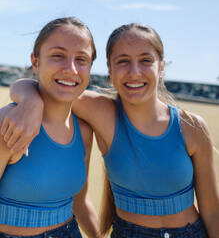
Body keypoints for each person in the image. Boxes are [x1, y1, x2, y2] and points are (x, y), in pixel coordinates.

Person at [1, 23, 219, 237]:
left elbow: (212, 213)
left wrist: (29, 99)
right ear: (109, 70)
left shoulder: (191, 126)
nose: (135, 72)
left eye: (146, 60)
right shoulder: (102, 113)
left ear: (161, 66)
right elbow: (50, 87)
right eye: (123, 61)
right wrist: (31, 102)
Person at [0, 17, 101, 238]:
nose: (71, 69)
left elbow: (80, 202)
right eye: (58, 56)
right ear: (35, 62)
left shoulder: (83, 132)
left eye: (81, 59)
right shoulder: (10, 123)